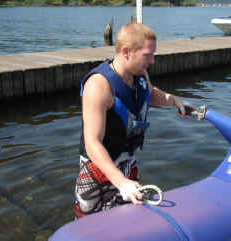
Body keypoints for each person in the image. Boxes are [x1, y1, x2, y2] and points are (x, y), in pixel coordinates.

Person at [74, 22, 190, 218]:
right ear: (127, 51)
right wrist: (121, 182)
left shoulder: (140, 73)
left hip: (127, 162)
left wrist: (175, 101)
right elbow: (92, 142)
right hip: (98, 169)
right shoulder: (99, 86)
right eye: (148, 55)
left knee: (130, 220)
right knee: (91, 228)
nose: (152, 61)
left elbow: (150, 93)